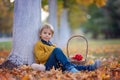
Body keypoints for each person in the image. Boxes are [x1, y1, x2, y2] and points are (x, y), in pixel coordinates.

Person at [31, 23, 101, 73]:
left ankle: (90, 67)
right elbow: (41, 58)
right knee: (57, 50)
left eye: (49, 34)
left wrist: (66, 59)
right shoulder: (39, 44)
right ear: (40, 34)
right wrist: (53, 51)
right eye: (45, 33)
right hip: (46, 65)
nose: (47, 35)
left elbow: (58, 56)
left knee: (71, 65)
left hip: (56, 66)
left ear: (51, 36)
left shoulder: (52, 45)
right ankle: (71, 70)